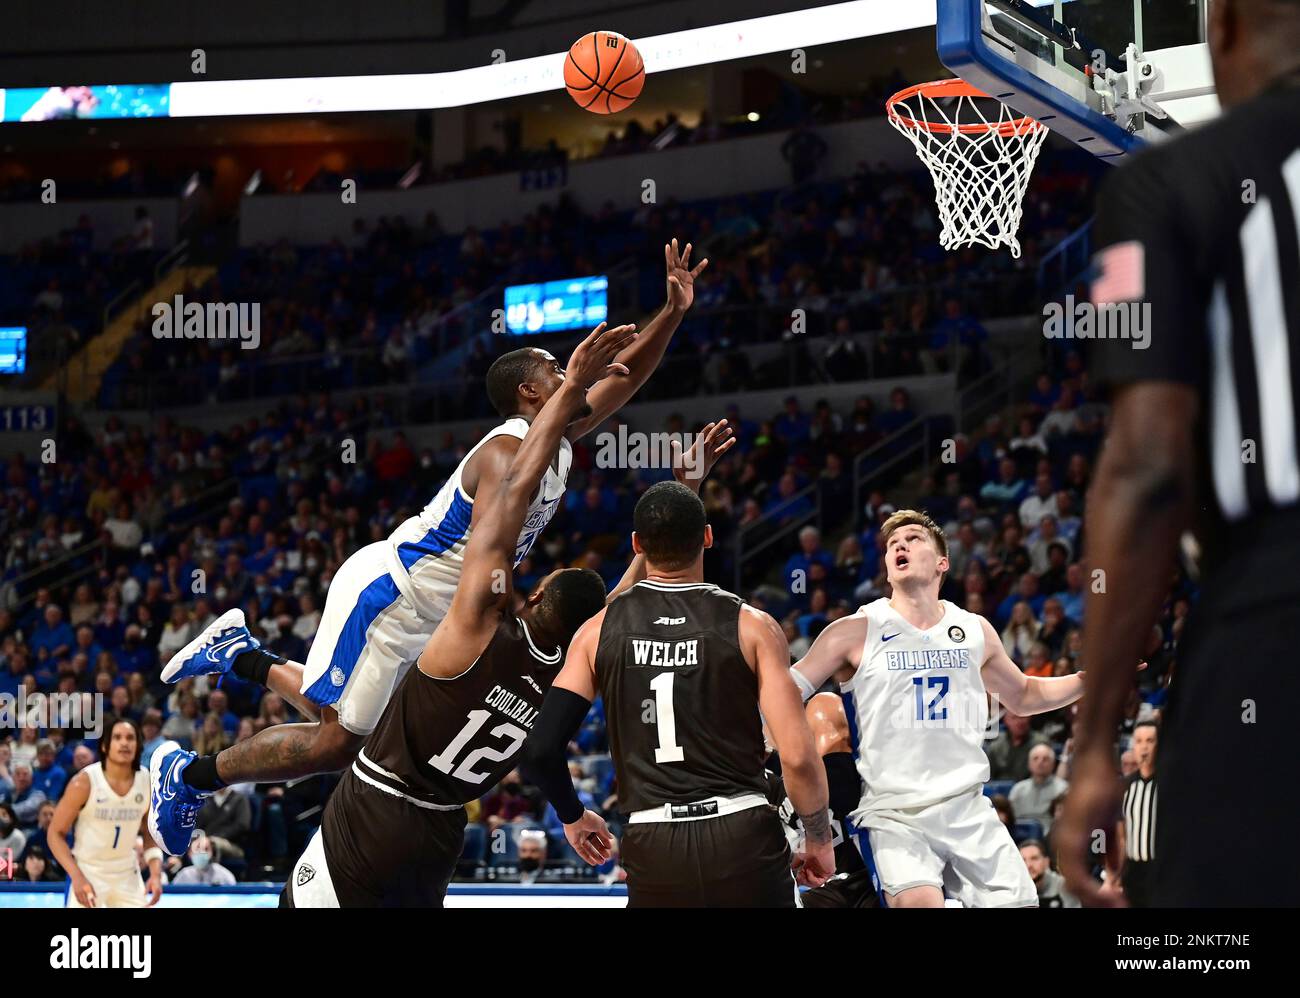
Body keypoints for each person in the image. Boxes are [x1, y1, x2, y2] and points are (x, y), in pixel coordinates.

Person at [150, 241, 708, 856]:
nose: (573, 375)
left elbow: (623, 378)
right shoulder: (505, 452)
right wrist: (506, 630)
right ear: (530, 390)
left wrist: (673, 311)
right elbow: (497, 536)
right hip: (394, 596)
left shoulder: (557, 438)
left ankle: (244, 655)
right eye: (557, 369)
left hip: (439, 615)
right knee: (340, 743)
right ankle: (188, 775)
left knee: (360, 729)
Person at [277, 326, 724, 906]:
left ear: (534, 597)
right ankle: (253, 665)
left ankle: (244, 672)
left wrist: (575, 386)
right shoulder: (568, 666)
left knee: (336, 735)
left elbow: (506, 504)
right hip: (441, 832)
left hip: (377, 810)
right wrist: (683, 490)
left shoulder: (473, 629)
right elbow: (631, 590)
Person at [1058, 0, 1300, 908]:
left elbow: (1147, 466)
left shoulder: (1169, 184)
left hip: (1272, 621)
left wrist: (1093, 749)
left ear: (1224, 25)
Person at [522, 482, 833, 908]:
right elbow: (797, 756)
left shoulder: (596, 631)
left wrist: (573, 816)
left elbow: (540, 750)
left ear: (636, 544)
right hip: (741, 834)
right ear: (707, 536)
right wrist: (818, 837)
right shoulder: (753, 625)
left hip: (654, 842)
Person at [789, 509, 1103, 908]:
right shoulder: (855, 629)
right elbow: (789, 689)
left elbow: (1023, 695)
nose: (900, 545)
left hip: (966, 805)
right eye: (892, 545)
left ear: (943, 563)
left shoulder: (974, 630)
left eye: (914, 538)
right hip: (894, 812)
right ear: (886, 568)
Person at [47, 717, 164, 907]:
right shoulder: (84, 782)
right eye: (117, 737)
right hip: (88, 871)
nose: (124, 743)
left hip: (127, 874)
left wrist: (156, 873)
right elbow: (55, 833)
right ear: (104, 746)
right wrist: (76, 876)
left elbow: (150, 832)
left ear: (138, 744)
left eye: (130, 738)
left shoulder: (147, 781)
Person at [1115, 720, 1159, 907]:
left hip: (1163, 869)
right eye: (1139, 741)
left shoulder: (1173, 784)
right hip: (1133, 871)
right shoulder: (1123, 787)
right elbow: (1120, 837)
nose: (1144, 747)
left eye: (1150, 741)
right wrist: (1114, 877)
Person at [1009, 744, 1068, 833]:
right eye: (1035, 758)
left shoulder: (1063, 789)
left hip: (1051, 837)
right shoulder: (1018, 789)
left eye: (1045, 759)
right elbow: (1010, 819)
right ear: (1029, 764)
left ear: (1053, 764)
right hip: (1020, 836)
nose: (1040, 762)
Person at [1019, 839, 1079, 908]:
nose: (1028, 865)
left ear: (1046, 862)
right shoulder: (1012, 888)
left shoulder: (1063, 885)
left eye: (1034, 858)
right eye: (1023, 860)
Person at [172, 831, 237, 886]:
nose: (201, 852)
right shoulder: (184, 875)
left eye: (206, 849)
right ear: (189, 853)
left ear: (212, 853)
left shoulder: (224, 875)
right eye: (197, 848)